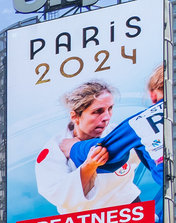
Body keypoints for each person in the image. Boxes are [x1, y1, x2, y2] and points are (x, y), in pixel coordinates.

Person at [36, 80, 142, 214]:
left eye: (110, 109)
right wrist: (89, 166)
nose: (106, 117)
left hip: (129, 209)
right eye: (98, 111)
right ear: (75, 116)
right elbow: (59, 194)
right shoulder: (54, 149)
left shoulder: (116, 133)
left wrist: (77, 148)